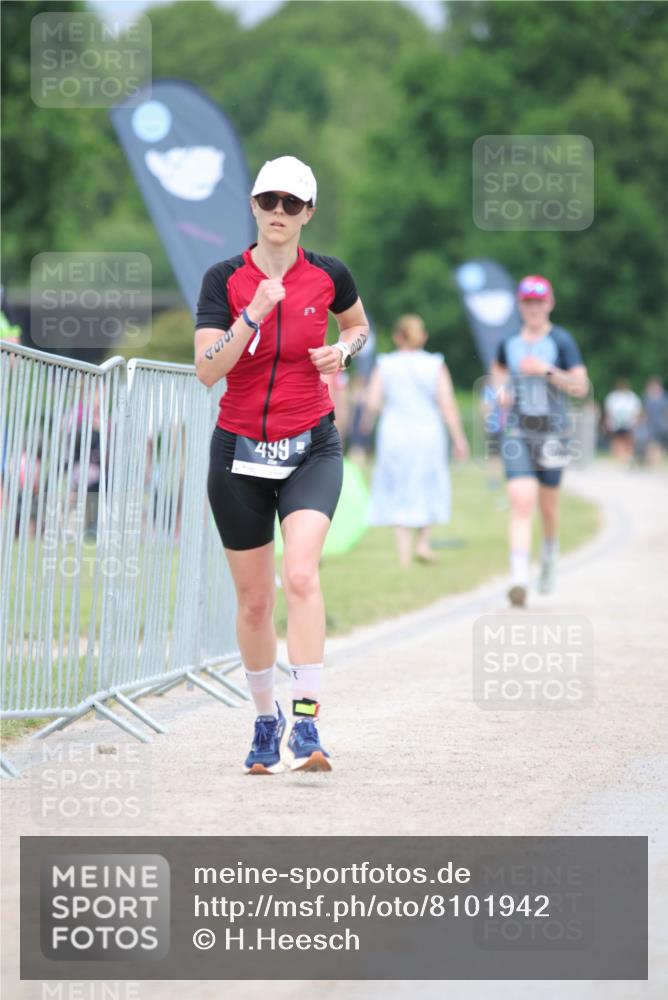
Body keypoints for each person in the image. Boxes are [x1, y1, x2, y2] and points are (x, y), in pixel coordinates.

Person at [194, 156, 368, 774]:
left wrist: (343, 351)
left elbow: (359, 327)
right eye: (269, 200)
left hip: (310, 445)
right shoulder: (224, 279)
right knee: (254, 603)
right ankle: (265, 721)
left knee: (301, 576)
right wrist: (252, 315)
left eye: (292, 204)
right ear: (254, 206)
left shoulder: (329, 276)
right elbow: (208, 368)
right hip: (238, 449)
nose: (279, 213)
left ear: (309, 214)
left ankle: (308, 725)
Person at [491, 275, 588, 606]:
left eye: (539, 301)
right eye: (527, 302)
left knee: (548, 507)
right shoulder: (508, 343)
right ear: (520, 305)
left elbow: (581, 387)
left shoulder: (562, 341)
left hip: (553, 432)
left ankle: (548, 553)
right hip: (518, 430)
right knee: (521, 500)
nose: (533, 308)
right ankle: (519, 576)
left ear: (550, 303)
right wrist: (499, 394)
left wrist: (547, 370)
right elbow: (498, 378)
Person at [365, 314, 469, 567]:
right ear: (422, 337)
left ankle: (403, 555)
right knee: (428, 481)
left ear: (397, 336)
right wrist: (459, 438)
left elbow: (372, 401)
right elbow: (447, 404)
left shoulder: (386, 364)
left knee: (397, 485)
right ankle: (423, 542)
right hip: (427, 430)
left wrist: (373, 419)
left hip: (395, 430)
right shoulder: (434, 364)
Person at [603, 378, 642, 462]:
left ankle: (627, 457)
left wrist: (636, 422)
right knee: (617, 440)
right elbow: (608, 411)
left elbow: (638, 411)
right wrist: (607, 422)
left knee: (628, 440)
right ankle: (618, 457)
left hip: (629, 423)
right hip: (616, 423)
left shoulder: (632, 397)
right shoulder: (613, 396)